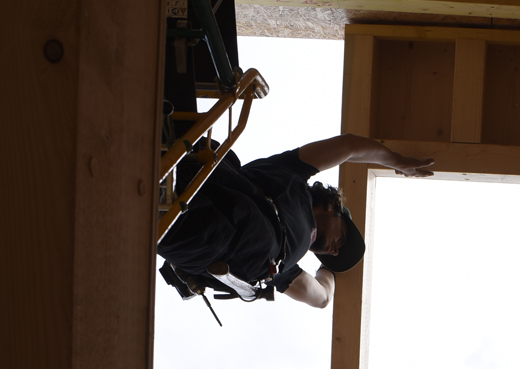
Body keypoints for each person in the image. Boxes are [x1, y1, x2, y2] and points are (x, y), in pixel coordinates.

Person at [157, 133, 434, 311]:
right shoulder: (293, 172)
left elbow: (322, 298)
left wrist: (328, 271)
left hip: (210, 244)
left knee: (171, 223)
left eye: (334, 253)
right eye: (341, 238)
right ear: (332, 206)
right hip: (212, 185)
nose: (334, 250)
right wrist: (395, 160)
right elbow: (349, 146)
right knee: (196, 158)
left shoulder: (286, 268)